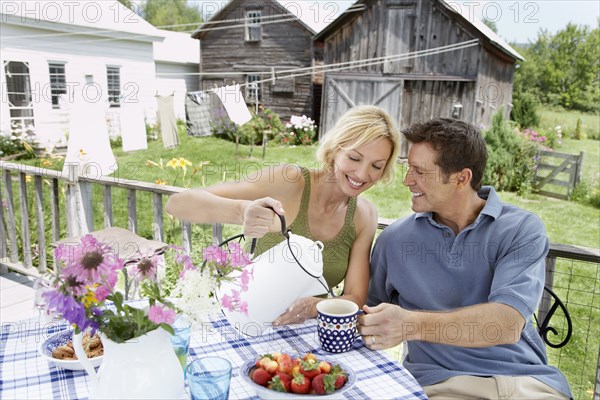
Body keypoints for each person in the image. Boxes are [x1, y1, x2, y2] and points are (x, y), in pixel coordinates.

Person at [358, 118, 572, 399]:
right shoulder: (394, 240)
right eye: (409, 168)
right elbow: (363, 318)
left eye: (420, 171)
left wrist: (409, 324)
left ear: (461, 177)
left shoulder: (521, 229)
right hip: (442, 386)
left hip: (527, 383)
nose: (407, 180)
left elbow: (506, 324)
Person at [166, 105, 401, 326]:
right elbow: (178, 204)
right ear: (335, 149)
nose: (362, 173)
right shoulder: (288, 181)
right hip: (241, 318)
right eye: (354, 158)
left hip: (303, 338)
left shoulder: (364, 216)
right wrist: (241, 211)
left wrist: (314, 307)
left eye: (376, 166)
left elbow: (355, 297)